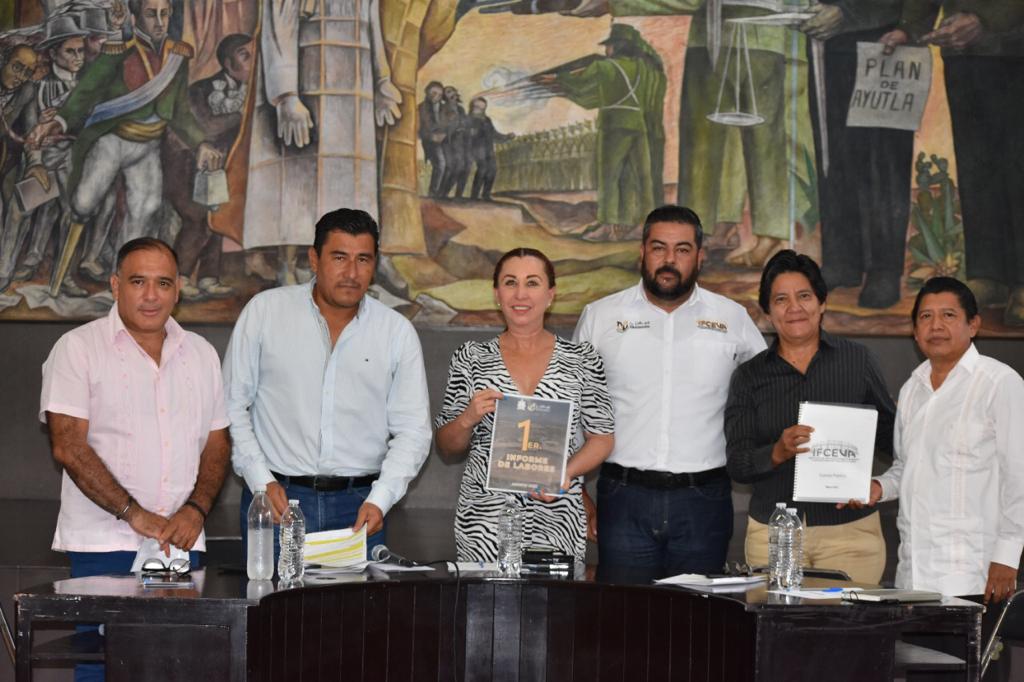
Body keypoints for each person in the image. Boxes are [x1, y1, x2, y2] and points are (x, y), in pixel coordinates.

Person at [39, 237, 231, 682]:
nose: (151, 296)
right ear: (115, 285)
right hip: (103, 542)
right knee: (100, 663)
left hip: (178, 544)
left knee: (174, 662)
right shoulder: (77, 348)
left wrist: (196, 509)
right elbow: (67, 445)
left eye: (163, 283)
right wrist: (132, 512)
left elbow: (217, 444)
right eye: (138, 281)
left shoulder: (201, 354)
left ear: (178, 289)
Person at [574, 205, 766, 583]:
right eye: (659, 247)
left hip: (704, 501)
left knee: (695, 617)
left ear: (700, 256)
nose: (669, 260)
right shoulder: (599, 317)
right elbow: (573, 409)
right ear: (642, 252)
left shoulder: (733, 319)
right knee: (623, 614)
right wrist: (576, 493)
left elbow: (768, 391)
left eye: (682, 249)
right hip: (623, 498)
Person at [223, 208, 431, 558]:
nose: (351, 273)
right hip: (278, 500)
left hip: (360, 507)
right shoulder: (265, 313)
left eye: (363, 259)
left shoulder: (396, 332)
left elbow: (413, 430)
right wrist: (261, 481)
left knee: (356, 599)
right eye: (339, 257)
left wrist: (381, 499)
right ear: (314, 259)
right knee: (272, 596)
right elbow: (231, 404)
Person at [856, 277, 1024, 679]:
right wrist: (878, 487)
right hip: (915, 577)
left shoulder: (1000, 383)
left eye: (948, 315)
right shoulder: (912, 389)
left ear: (973, 324)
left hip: (975, 575)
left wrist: (1007, 557)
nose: (936, 326)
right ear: (914, 331)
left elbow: (1019, 473)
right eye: (926, 317)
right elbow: (905, 468)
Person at [27, 0, 224, 295]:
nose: (159, 22)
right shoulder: (118, 50)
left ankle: (123, 287)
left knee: (146, 211)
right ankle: (62, 274)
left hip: (148, 146)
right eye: (151, 14)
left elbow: (180, 112)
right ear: (135, 16)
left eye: (164, 14)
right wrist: (59, 121)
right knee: (83, 205)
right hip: (111, 140)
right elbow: (87, 91)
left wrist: (202, 142)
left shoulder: (177, 57)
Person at [724, 250, 895, 584]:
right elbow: (737, 464)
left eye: (804, 296)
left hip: (851, 534)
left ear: (822, 303)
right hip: (775, 533)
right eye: (781, 299)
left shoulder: (858, 361)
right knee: (779, 619)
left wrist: (879, 485)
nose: (794, 308)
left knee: (849, 619)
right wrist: (776, 452)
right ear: (767, 312)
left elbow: (894, 440)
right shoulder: (749, 376)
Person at [436, 247, 614, 564]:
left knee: (555, 598)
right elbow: (447, 447)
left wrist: (565, 473)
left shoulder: (583, 359)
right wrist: (467, 418)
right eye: (510, 282)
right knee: (486, 598)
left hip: (557, 520)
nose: (521, 294)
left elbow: (602, 438)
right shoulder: (471, 358)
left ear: (550, 294)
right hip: (485, 523)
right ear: (497, 294)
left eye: (532, 283)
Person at [798, 0, 914, 309]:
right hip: (830, 43)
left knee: (885, 161)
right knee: (834, 154)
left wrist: (849, 14)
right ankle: (842, 260)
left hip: (886, 38)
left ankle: (884, 269)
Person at [537, 23, 666, 240]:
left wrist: (558, 79)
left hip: (613, 125)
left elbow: (580, 85)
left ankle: (608, 225)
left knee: (609, 176)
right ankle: (646, 223)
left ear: (616, 47)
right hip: (638, 125)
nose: (606, 50)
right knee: (642, 176)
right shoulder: (643, 68)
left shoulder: (603, 67)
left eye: (609, 45)